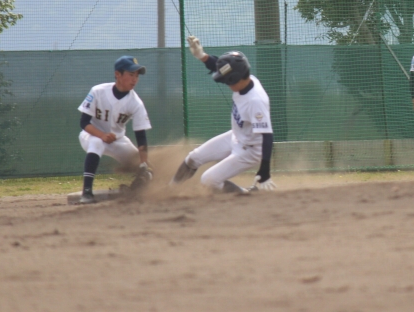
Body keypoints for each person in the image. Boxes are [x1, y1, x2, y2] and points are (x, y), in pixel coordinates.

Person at [170, 36, 277, 193]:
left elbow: (267, 136)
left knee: (208, 180)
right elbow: (223, 67)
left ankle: (246, 194)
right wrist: (202, 56)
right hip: (236, 136)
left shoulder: (255, 101)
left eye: (228, 81)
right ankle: (170, 190)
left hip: (251, 150)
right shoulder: (245, 78)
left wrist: (265, 169)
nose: (226, 84)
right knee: (193, 158)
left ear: (236, 78)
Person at [77, 56, 154, 204]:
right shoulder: (98, 91)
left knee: (146, 167)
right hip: (91, 135)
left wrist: (143, 164)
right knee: (97, 143)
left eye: (137, 76)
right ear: (118, 74)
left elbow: (141, 136)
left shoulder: (136, 103)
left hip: (118, 141)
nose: (135, 79)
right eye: (131, 74)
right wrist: (102, 135)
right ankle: (86, 192)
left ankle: (138, 191)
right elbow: (84, 122)